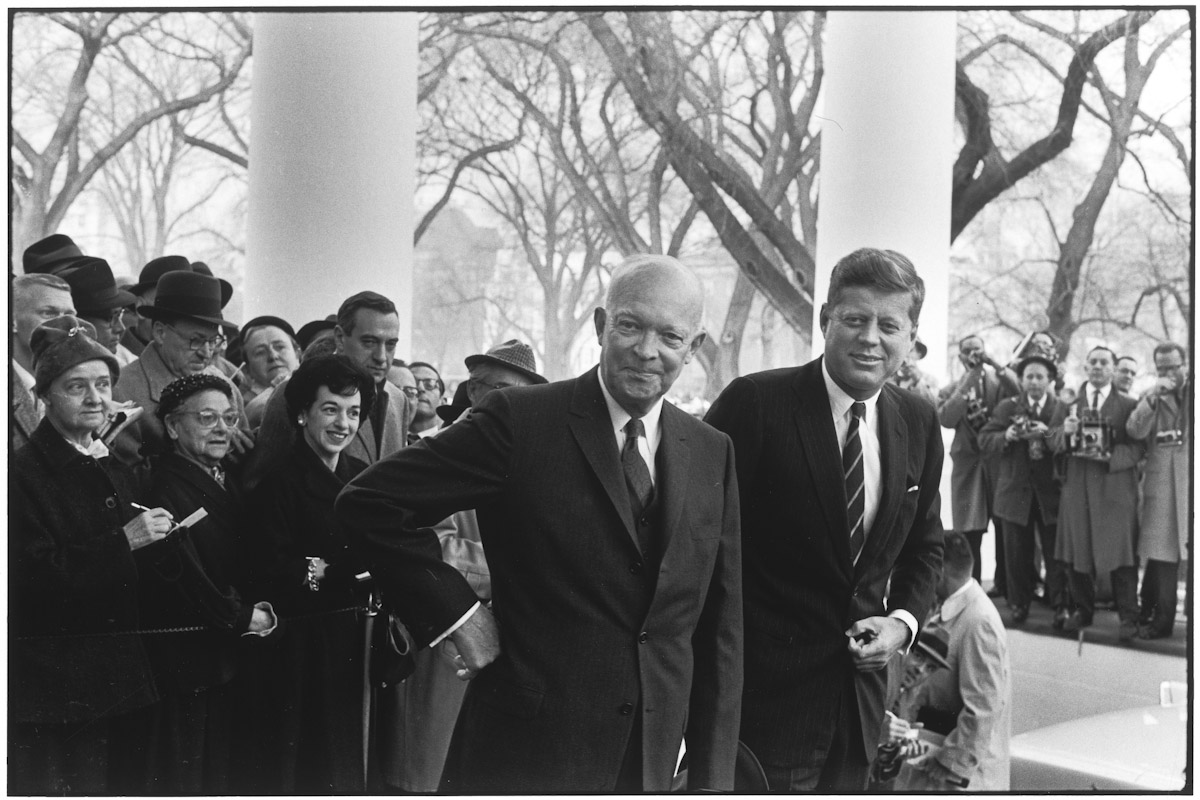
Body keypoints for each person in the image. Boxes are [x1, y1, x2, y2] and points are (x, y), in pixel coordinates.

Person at [338, 254, 743, 792]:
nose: (648, 351)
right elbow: (367, 503)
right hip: (522, 754)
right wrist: (458, 615)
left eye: (670, 337)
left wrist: (714, 780)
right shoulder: (519, 420)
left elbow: (720, 627)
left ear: (693, 349)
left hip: (646, 763)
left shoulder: (712, 451)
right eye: (630, 325)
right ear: (601, 326)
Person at [704, 247, 943, 791]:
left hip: (859, 710)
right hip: (762, 711)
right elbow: (699, 540)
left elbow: (925, 548)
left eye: (889, 325)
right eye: (854, 320)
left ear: (911, 337)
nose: (870, 338)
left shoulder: (919, 422)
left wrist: (901, 624)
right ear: (825, 320)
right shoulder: (757, 402)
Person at [10, 316, 173, 794]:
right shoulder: (21, 475)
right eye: (75, 386)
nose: (95, 398)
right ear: (43, 396)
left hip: (117, 680)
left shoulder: (106, 459)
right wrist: (125, 542)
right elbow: (29, 579)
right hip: (56, 691)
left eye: (103, 384)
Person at [386, 340, 547, 792]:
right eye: (498, 389)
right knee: (429, 764)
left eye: (520, 392)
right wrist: (514, 572)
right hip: (447, 630)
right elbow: (427, 544)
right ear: (473, 392)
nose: (510, 402)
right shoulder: (440, 450)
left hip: (511, 636)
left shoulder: (529, 454)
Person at [135, 374, 277, 793]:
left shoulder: (222, 477)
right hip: (190, 659)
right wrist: (240, 616)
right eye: (207, 418)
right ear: (173, 428)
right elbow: (184, 578)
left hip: (223, 656)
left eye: (229, 418)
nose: (222, 429)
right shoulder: (165, 486)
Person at [244, 356, 377, 792]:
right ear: (302, 413)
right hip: (300, 649)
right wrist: (336, 571)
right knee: (305, 765)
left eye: (353, 412)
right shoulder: (278, 483)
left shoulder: (364, 478)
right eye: (331, 409)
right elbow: (276, 571)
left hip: (355, 640)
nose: (344, 423)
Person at [242, 291, 411, 492]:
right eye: (369, 342)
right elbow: (261, 480)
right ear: (340, 337)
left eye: (390, 344)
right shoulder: (295, 390)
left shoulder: (398, 399)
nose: (381, 357)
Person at [895, 531, 1011, 791]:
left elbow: (984, 705)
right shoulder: (951, 608)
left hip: (956, 779)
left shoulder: (979, 621)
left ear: (940, 567)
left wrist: (951, 761)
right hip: (929, 765)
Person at [1049, 345, 1144, 639]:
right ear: (1086, 367)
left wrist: (1111, 457)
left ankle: (1128, 616)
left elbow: (1140, 447)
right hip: (1078, 490)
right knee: (1078, 552)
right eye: (1093, 362)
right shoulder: (1068, 405)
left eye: (1105, 362)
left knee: (1121, 554)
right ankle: (1082, 610)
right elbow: (1051, 441)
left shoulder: (1129, 405)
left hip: (1113, 490)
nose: (1099, 367)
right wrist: (1064, 431)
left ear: (1113, 369)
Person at [112, 270, 251, 466]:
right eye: (195, 341)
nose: (206, 352)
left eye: (213, 341)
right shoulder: (123, 394)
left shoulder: (226, 388)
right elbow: (125, 479)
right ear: (160, 333)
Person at [979, 355, 1067, 627]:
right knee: (1017, 552)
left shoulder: (1061, 408)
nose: (1034, 382)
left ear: (1050, 380)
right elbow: (984, 438)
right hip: (1014, 492)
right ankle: (1019, 604)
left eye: (1040, 377)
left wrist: (1048, 434)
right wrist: (1007, 436)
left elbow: (1068, 441)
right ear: (1021, 379)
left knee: (1056, 552)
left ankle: (1061, 605)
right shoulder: (1008, 407)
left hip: (1050, 494)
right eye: (1029, 376)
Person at [938, 334, 1019, 592]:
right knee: (970, 529)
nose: (973, 355)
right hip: (968, 465)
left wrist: (995, 365)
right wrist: (969, 381)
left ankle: (1004, 585)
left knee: (1004, 522)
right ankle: (970, 587)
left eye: (978, 350)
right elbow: (947, 419)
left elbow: (1019, 392)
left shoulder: (999, 382)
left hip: (998, 462)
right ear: (961, 357)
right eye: (968, 350)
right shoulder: (951, 390)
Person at [1127, 343, 1191, 639]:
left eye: (1173, 367)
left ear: (1185, 364)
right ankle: (1161, 621)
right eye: (1161, 368)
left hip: (1191, 485)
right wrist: (1153, 396)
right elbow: (1134, 430)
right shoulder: (1151, 397)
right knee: (1163, 556)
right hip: (1164, 487)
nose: (1168, 374)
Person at [11, 273, 76, 450]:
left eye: (70, 315)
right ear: (11, 321)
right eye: (48, 313)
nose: (64, 324)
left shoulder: (73, 386)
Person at [59, 257, 139, 366]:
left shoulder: (124, 369)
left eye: (120, 314)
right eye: (110, 318)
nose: (120, 328)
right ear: (78, 322)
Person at [237, 315, 301, 407]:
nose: (273, 356)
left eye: (280, 347)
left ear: (297, 354)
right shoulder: (244, 407)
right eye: (260, 352)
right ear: (247, 369)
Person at [407, 360, 445, 441]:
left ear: (442, 401)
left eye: (429, 384)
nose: (420, 388)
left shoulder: (452, 442)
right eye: (413, 383)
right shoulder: (384, 439)